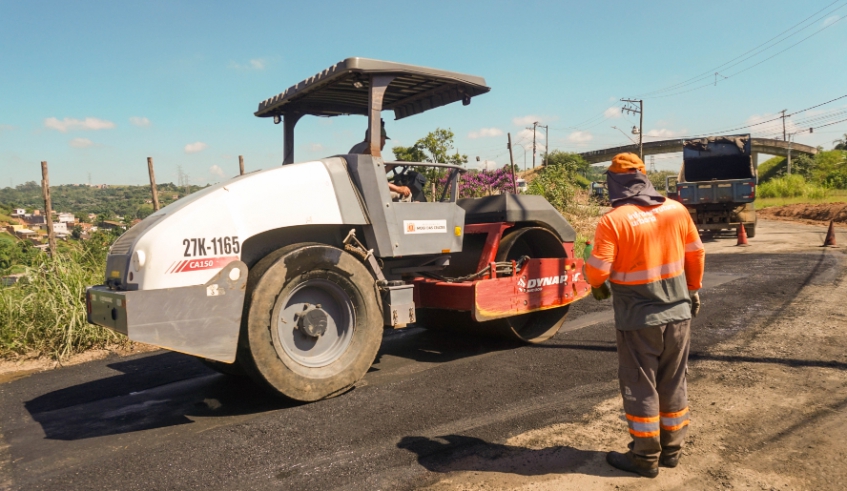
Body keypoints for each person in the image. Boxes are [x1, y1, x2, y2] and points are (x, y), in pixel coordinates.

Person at [585, 152, 705, 478]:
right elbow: (696, 253)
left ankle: (645, 458)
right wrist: (692, 289)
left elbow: (597, 272)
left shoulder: (614, 220)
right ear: (644, 177)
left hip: (638, 319)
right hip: (679, 313)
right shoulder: (676, 210)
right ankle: (672, 451)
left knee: (641, 385)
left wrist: (595, 281)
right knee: (673, 380)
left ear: (614, 183)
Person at [348, 120, 411, 200]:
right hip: (368, 192)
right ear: (377, 138)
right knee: (407, 194)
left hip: (358, 188)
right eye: (384, 139)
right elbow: (376, 179)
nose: (384, 143)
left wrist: (393, 164)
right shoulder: (370, 151)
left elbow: (376, 173)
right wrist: (399, 189)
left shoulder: (356, 147)